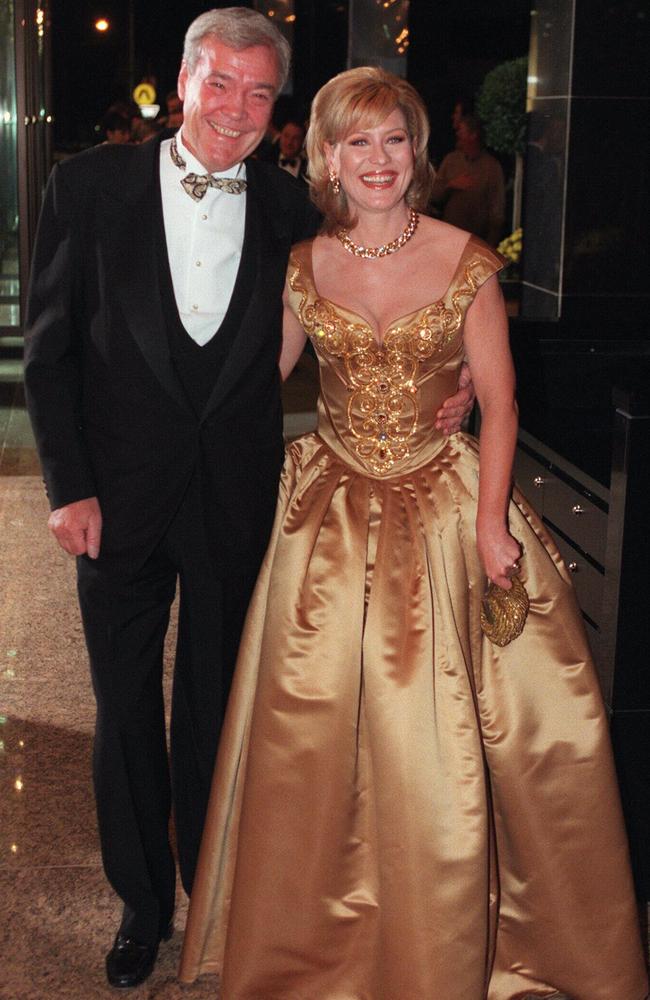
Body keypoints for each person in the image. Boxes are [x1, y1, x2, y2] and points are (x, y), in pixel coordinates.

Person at [23, 11, 470, 992]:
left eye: (257, 91)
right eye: (218, 82)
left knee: (220, 709)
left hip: (234, 496)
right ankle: (142, 903)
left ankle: (211, 894)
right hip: (115, 500)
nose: (233, 107)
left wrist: (459, 373)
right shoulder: (86, 187)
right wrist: (70, 487)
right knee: (124, 709)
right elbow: (50, 354)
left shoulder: (286, 206)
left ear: (277, 108)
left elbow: (383, 285)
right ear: (182, 81)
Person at [179, 67, 648, 1000]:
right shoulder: (301, 263)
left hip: (444, 508)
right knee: (310, 733)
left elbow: (503, 404)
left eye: (394, 139)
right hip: (328, 511)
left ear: (417, 150)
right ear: (326, 157)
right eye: (358, 142)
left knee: (453, 738)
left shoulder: (467, 258)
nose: (379, 159)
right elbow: (259, 380)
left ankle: (457, 936)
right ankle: (316, 934)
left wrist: (489, 526)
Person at [430, 112, 505, 247]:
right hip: (448, 239)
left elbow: (497, 212)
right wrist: (450, 185)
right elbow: (433, 196)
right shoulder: (451, 160)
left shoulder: (492, 166)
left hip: (476, 243)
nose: (457, 134)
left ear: (473, 135)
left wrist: (490, 247)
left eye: (461, 131)